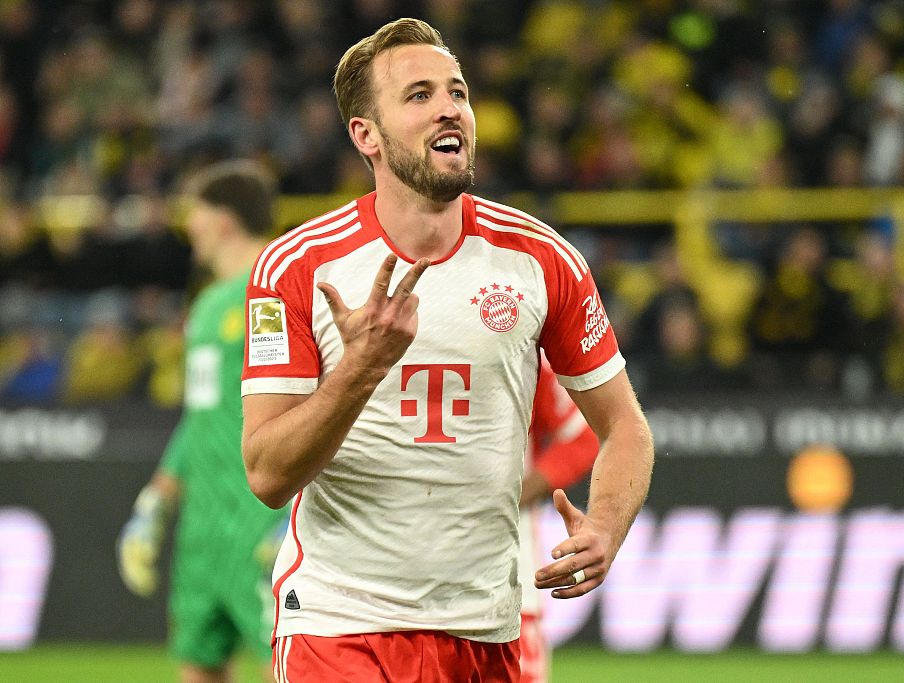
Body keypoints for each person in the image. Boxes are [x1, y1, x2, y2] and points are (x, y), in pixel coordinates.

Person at [240, 18, 654, 682]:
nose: (448, 108)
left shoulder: (542, 261)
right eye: (418, 95)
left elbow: (625, 425)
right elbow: (266, 473)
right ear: (365, 136)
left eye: (456, 91)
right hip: (339, 626)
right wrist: (361, 369)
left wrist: (605, 524)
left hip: (485, 628)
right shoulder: (297, 266)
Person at [117, 160, 288, 683]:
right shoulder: (209, 306)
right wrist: (157, 498)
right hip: (203, 524)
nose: (188, 225)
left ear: (224, 220)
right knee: (198, 665)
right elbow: (202, 415)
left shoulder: (281, 289)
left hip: (261, 518)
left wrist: (295, 511)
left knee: (290, 666)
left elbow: (319, 400)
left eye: (196, 212)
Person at [518, 356, 600, 683]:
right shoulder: (388, 333)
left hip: (507, 578)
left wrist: (515, 496)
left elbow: (582, 436)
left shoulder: (521, 345)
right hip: (398, 592)